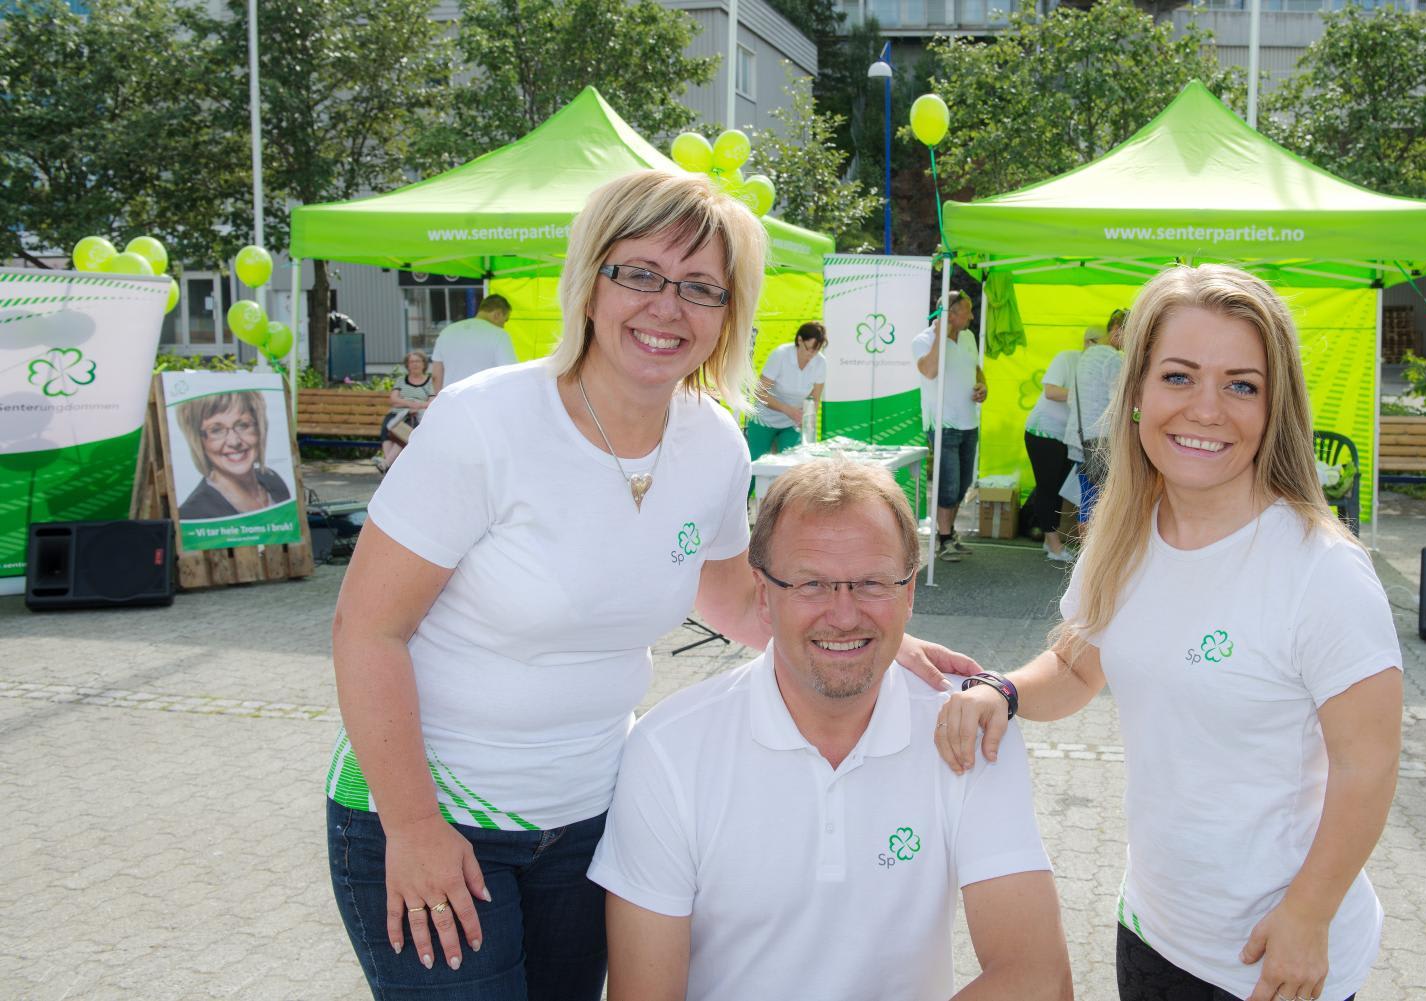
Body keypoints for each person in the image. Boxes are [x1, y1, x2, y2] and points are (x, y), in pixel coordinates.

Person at [325, 169, 979, 1001]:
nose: (667, 307)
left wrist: (884, 644)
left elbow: (737, 599)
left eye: (701, 287)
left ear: (728, 314)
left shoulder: (713, 445)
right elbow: (366, 629)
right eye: (640, 273)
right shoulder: (485, 423)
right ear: (590, 281)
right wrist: (413, 824)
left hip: (590, 819)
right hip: (430, 810)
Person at [937, 264, 1403, 1001]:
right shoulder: (1125, 534)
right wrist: (1003, 691)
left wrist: (1310, 914)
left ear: (1276, 406)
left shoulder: (1322, 570)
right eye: (1179, 376)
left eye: (1241, 385)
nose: (1206, 409)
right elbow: (1079, 667)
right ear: (1137, 394)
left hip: (1272, 954)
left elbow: (1367, 765)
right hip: (1152, 927)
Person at [590, 458, 1072, 1001]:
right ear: (763, 595)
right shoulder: (669, 750)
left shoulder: (968, 727)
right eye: (812, 584)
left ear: (909, 593)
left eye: (872, 583)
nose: (844, 616)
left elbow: (1038, 977)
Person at [913, 291, 987, 562]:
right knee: (948, 483)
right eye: (967, 311)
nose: (972, 316)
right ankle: (944, 540)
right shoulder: (923, 340)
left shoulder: (968, 337)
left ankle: (949, 534)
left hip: (969, 422)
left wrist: (983, 386)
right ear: (951, 315)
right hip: (942, 424)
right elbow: (929, 371)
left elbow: (975, 369)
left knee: (962, 484)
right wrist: (940, 336)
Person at [174, 390, 291, 520]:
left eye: (243, 425)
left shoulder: (273, 480)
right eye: (216, 430)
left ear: (259, 428)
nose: (234, 441)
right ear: (197, 440)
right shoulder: (193, 514)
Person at [1019, 335, 1081, 562]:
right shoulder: (1067, 358)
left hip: (1067, 437)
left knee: (1056, 489)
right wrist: (1083, 394)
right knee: (1047, 488)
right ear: (1089, 342)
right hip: (1043, 432)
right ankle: (1054, 547)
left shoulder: (1105, 367)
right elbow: (1051, 391)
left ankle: (1050, 541)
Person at [1064, 312, 1126, 526]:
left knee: (1087, 500)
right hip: (1101, 442)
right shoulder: (1113, 358)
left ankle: (1085, 549)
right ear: (1116, 329)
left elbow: (1071, 399)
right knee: (1101, 505)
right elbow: (1118, 404)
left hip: (1079, 439)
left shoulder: (1086, 356)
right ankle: (1095, 549)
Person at [744, 321, 828, 459]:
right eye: (809, 349)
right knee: (755, 465)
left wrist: (806, 419)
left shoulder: (820, 362)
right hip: (765, 419)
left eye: (816, 350)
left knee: (792, 464)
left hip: (791, 424)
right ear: (800, 340)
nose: (812, 355)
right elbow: (759, 393)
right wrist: (787, 410)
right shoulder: (781, 355)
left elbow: (815, 399)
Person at [430, 294, 518, 391]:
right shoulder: (500, 335)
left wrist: (439, 398)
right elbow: (509, 374)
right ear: (497, 314)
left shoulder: (446, 332)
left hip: (452, 397)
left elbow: (436, 377)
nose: (503, 325)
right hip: (484, 398)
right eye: (505, 320)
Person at [377, 350, 437, 472]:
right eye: (411, 362)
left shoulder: (429, 381)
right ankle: (389, 466)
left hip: (416, 415)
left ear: (424, 364)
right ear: (407, 365)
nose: (415, 364)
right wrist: (412, 404)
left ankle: (387, 464)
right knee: (387, 427)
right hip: (397, 413)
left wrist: (413, 405)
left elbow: (432, 402)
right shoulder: (401, 380)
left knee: (404, 431)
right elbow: (393, 399)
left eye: (417, 361)